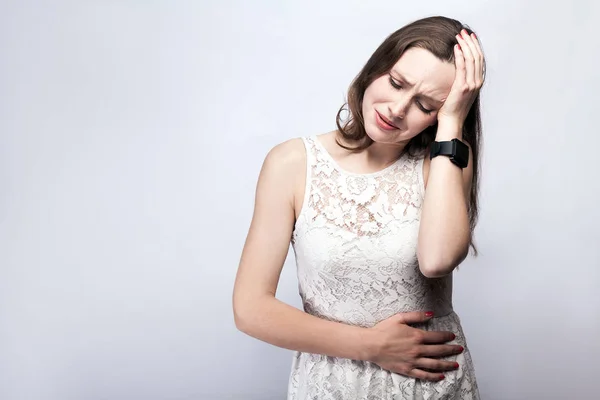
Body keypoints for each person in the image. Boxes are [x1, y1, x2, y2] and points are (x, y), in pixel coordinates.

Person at [233, 15, 485, 399]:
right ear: (375, 68)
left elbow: (436, 260)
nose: (398, 109)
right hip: (332, 383)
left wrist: (452, 123)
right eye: (397, 83)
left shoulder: (446, 162)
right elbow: (250, 309)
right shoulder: (292, 163)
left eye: (425, 104)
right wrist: (372, 346)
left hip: (428, 386)